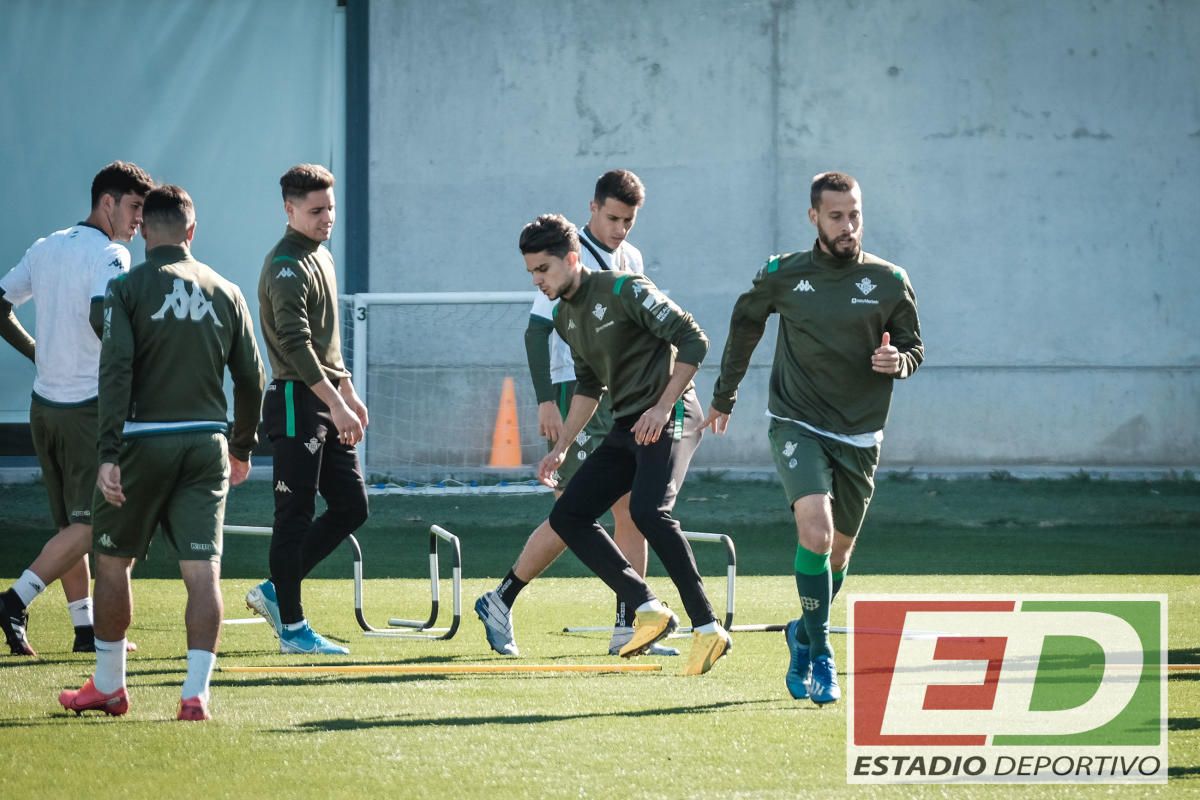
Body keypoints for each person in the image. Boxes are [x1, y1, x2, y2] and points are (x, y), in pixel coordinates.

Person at [703, 172, 923, 705]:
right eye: (836, 216)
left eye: (855, 215)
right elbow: (744, 324)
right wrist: (724, 394)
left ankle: (800, 635)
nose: (849, 226)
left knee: (839, 553)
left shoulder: (891, 280)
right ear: (814, 218)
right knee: (816, 533)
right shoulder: (782, 274)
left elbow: (914, 349)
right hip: (797, 421)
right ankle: (823, 654)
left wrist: (898, 362)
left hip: (861, 433)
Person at [58, 184, 265, 720]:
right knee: (202, 573)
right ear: (192, 232)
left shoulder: (126, 288)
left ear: (145, 229)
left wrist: (108, 452)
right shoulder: (227, 290)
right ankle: (195, 694)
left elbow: (116, 369)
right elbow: (252, 378)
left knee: (112, 562)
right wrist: (240, 446)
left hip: (142, 443)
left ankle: (109, 685)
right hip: (206, 444)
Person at [495, 213, 730, 676]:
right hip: (627, 424)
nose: (538, 281)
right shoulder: (564, 316)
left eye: (543, 269)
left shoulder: (625, 288)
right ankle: (646, 605)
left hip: (674, 412)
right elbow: (588, 386)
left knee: (646, 511)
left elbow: (694, 340)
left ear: (572, 258)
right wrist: (561, 447)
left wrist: (662, 406)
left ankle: (707, 628)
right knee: (569, 514)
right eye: (531, 273)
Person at [476, 169, 677, 657]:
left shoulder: (631, 258)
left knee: (628, 514)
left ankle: (630, 628)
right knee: (575, 512)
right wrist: (547, 400)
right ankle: (502, 599)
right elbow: (535, 331)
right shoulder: (567, 258)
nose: (620, 229)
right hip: (577, 390)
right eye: (612, 217)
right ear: (593, 208)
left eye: (628, 220)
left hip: (622, 395)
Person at [0, 161, 152, 656]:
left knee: (71, 527)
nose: (138, 222)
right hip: (88, 407)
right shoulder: (112, 255)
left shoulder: (45, 247)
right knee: (95, 525)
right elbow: (98, 313)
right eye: (133, 208)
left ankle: (85, 630)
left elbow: (0, 306)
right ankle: (15, 599)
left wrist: (38, 351)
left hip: (44, 406)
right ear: (107, 202)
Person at [245, 164, 369, 655]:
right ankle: (294, 631)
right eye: (316, 211)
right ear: (289, 210)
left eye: (330, 209)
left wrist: (349, 391)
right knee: (293, 515)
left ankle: (276, 590)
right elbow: (296, 346)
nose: (326, 219)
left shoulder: (322, 255)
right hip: (298, 399)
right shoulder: (285, 266)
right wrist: (336, 404)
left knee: (352, 506)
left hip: (327, 396)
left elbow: (327, 342)